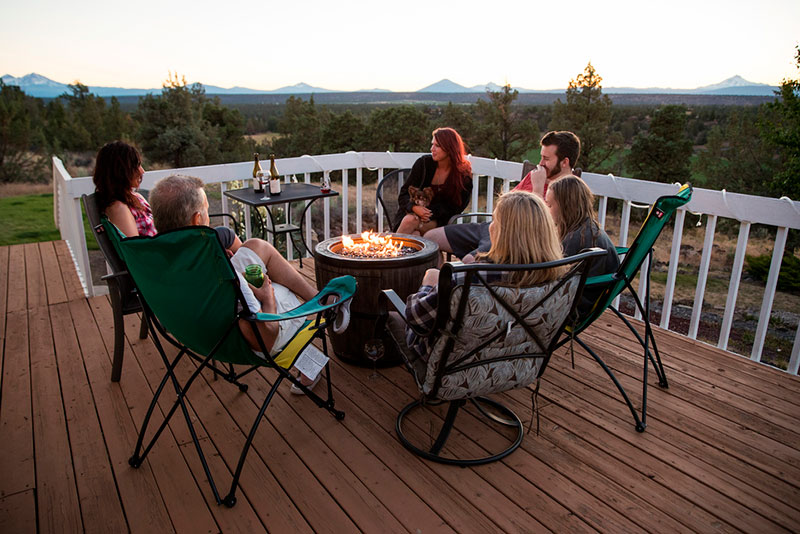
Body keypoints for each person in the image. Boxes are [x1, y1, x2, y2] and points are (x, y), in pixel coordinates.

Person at [148, 174, 323, 393]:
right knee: (281, 289)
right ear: (196, 220)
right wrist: (268, 297)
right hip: (244, 338)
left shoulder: (153, 261)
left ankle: (318, 297)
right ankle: (314, 339)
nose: (209, 217)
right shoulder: (222, 273)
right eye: (206, 211)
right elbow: (265, 340)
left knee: (257, 246)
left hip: (193, 331)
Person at [398, 190, 566, 360]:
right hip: (517, 362)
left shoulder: (470, 277)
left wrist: (429, 283)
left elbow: (417, 320)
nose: (490, 226)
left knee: (390, 316)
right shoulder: (559, 277)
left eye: (495, 221)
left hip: (453, 362)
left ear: (503, 233)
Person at [425, 130, 580, 263]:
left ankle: (449, 291)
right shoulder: (537, 174)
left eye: (546, 159)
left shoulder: (568, 192)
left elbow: (540, 231)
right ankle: (433, 286)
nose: (540, 163)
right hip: (492, 226)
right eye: (541, 157)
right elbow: (504, 204)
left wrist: (538, 189)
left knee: (469, 261)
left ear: (564, 162)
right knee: (430, 238)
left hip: (510, 236)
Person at [92, 141, 242, 254]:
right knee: (225, 234)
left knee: (224, 239)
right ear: (120, 171)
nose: (142, 171)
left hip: (170, 248)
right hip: (168, 258)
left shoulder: (131, 197)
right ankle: (255, 278)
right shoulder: (119, 208)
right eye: (136, 166)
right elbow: (137, 254)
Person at [546, 175, 620, 315]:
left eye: (550, 205)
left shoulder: (576, 240)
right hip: (585, 301)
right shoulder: (590, 230)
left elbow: (552, 279)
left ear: (566, 206)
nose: (547, 209)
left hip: (571, 309)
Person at [393, 127, 473, 235]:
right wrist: (414, 207)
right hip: (410, 213)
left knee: (410, 221)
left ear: (450, 148)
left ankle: (393, 250)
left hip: (439, 221)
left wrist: (428, 213)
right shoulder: (424, 164)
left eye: (437, 146)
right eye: (432, 144)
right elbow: (404, 195)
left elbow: (457, 207)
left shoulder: (463, 175)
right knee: (414, 233)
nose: (432, 149)